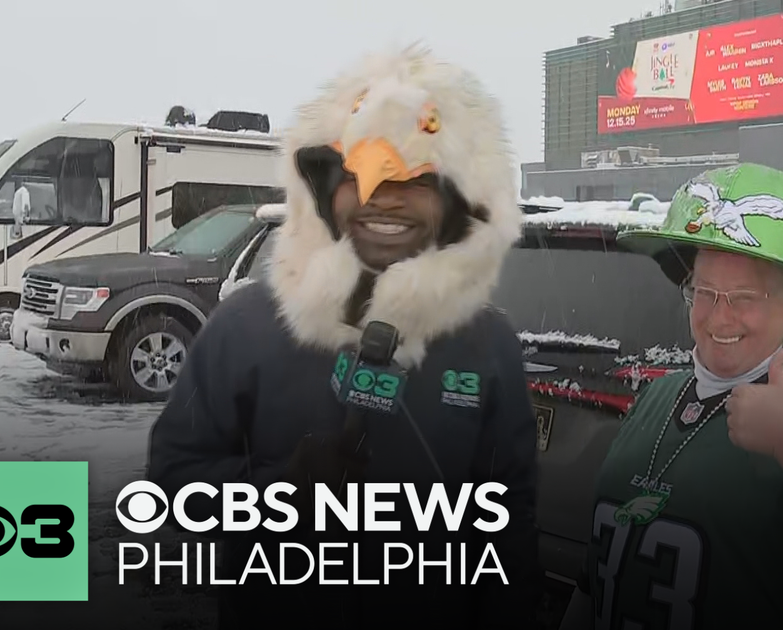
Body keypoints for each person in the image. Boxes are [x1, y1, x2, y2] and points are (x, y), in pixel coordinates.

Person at [146, 45, 539, 629]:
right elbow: (173, 484)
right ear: (327, 189)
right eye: (361, 172)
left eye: (416, 178)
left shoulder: (490, 347)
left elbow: (508, 536)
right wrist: (276, 494)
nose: (384, 197)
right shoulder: (246, 327)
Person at [559, 163, 783, 630]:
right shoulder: (659, 397)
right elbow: (597, 575)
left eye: (744, 296)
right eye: (705, 291)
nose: (718, 317)